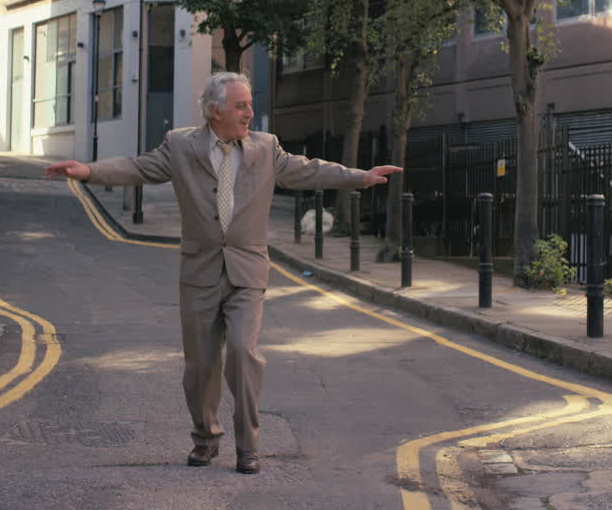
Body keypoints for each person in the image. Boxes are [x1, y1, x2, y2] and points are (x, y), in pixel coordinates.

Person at [44, 71, 402, 474]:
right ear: (215, 111)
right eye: (241, 105)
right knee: (199, 367)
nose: (250, 112)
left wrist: (361, 177)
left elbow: (308, 169)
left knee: (244, 353)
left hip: (247, 272)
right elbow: (137, 167)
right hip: (199, 272)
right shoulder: (180, 145)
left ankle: (248, 445)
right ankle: (205, 437)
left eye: (250, 104)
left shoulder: (266, 148)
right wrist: (89, 171)